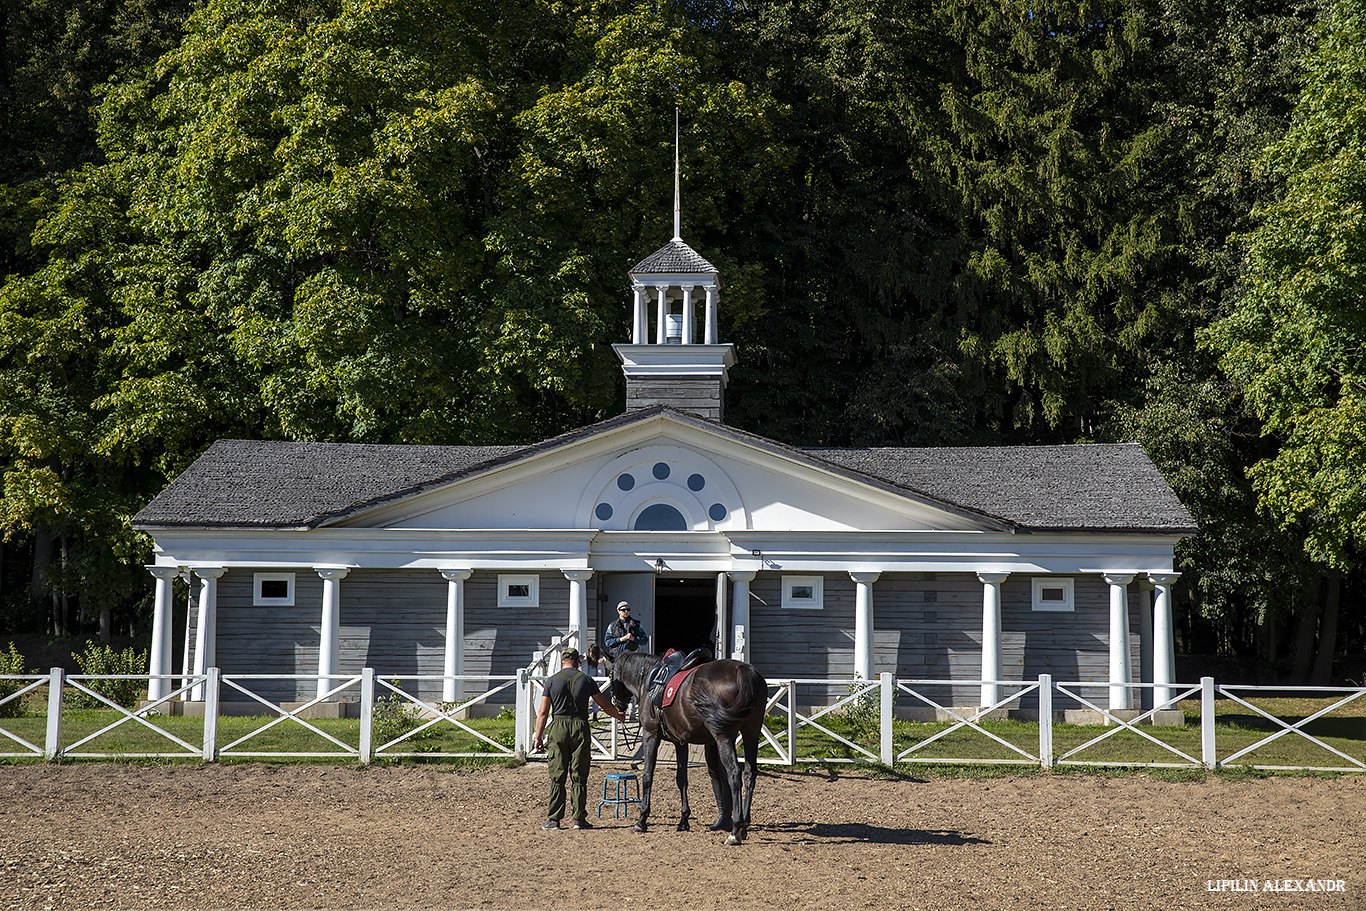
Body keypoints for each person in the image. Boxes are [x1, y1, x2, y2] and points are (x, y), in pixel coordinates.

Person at [532, 647, 626, 830]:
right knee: (579, 774)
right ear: (578, 662)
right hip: (580, 727)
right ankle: (579, 819)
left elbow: (543, 712)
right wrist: (619, 716)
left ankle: (554, 819)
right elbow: (605, 704)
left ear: (562, 662)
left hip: (558, 727)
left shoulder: (552, 681)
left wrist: (538, 736)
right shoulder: (586, 679)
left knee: (557, 775)